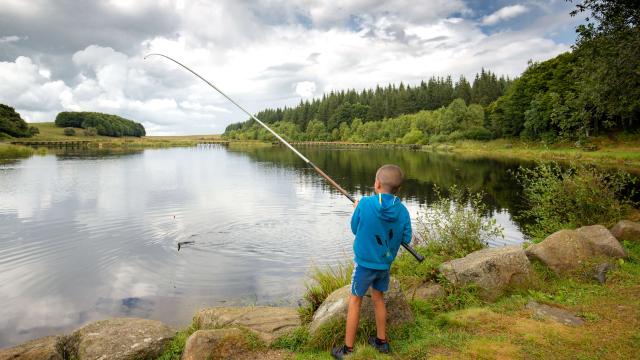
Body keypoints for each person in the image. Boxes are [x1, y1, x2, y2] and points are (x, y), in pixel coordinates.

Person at [332, 164, 412, 359]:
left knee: (355, 300)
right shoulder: (402, 211)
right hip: (384, 265)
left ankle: (348, 349)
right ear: (398, 189)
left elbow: (354, 228)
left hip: (364, 265)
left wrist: (356, 209)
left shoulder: (365, 204)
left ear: (376, 184)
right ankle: (381, 342)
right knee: (378, 299)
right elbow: (406, 238)